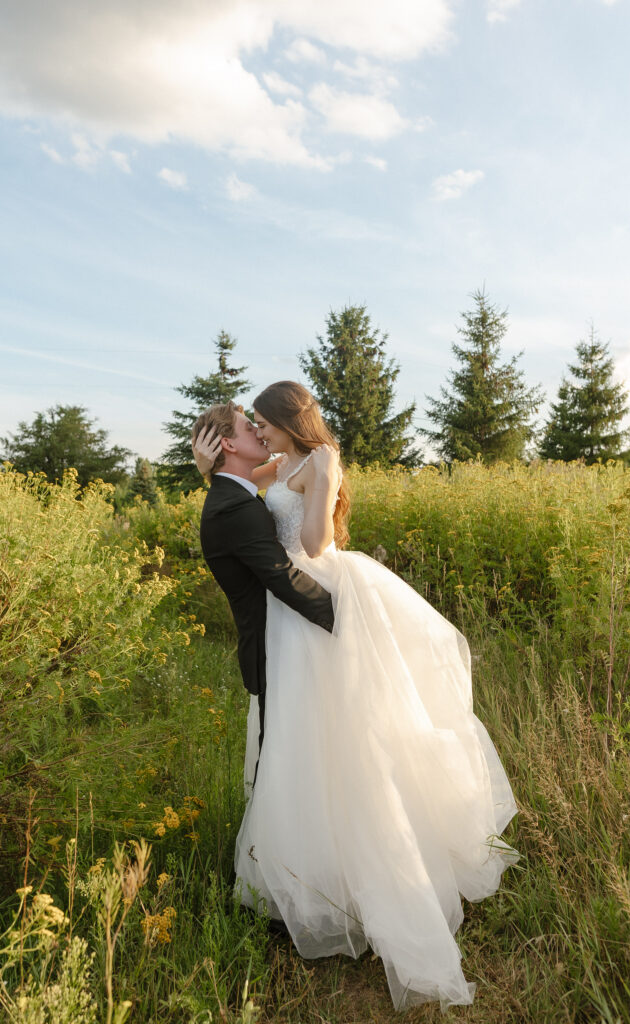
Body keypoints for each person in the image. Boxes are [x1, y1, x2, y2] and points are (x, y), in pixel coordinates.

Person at [192, 381, 519, 1011]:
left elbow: (311, 546)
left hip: (316, 606)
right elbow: (240, 484)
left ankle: (370, 878)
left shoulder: (307, 462)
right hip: (297, 622)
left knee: (353, 742)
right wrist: (209, 467)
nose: (257, 431)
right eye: (248, 424)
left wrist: (355, 616)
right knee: (310, 750)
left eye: (261, 421)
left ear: (283, 421)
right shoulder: (268, 468)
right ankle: (320, 879)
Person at [192, 401, 335, 759]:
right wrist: (345, 618)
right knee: (287, 753)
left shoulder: (235, 492)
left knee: (297, 747)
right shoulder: (233, 506)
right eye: (248, 428)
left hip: (287, 636)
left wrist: (204, 468)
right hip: (278, 642)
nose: (259, 432)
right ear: (229, 445)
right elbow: (281, 577)